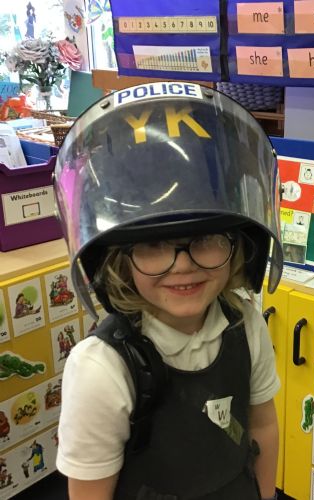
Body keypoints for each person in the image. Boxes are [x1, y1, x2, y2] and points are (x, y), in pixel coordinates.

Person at [53, 81, 284, 500]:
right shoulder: (101, 369)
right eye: (154, 246)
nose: (183, 265)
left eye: (206, 239)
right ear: (119, 260)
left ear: (238, 247)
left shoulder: (245, 325)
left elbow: (263, 425)